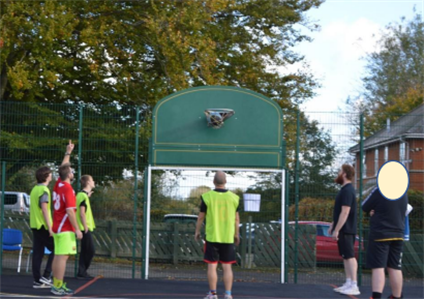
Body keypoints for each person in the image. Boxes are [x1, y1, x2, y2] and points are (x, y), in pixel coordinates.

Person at [195, 171, 240, 299]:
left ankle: (213, 294)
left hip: (212, 236)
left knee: (212, 265)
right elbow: (237, 219)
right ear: (225, 181)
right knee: (227, 266)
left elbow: (201, 217)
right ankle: (228, 294)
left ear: (214, 182)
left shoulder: (207, 197)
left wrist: (197, 231)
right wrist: (236, 234)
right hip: (227, 237)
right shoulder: (234, 198)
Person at [362, 187, 407, 299]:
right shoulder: (403, 191)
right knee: (395, 267)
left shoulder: (380, 189)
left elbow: (364, 205)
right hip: (398, 233)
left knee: (378, 266)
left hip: (381, 233)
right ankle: (397, 297)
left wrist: (374, 210)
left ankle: (376, 297)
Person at [51, 140, 83, 296]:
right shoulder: (68, 190)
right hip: (65, 228)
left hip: (57, 226)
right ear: (69, 175)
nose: (73, 173)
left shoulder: (58, 184)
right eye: (71, 171)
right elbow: (70, 211)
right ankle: (57, 286)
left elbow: (63, 168)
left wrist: (68, 152)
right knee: (62, 258)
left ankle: (57, 284)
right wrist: (77, 229)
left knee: (58, 256)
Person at [330, 164, 360, 296]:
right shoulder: (344, 190)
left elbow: (345, 212)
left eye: (339, 171)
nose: (338, 173)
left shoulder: (348, 190)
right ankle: (348, 282)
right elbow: (339, 212)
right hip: (343, 229)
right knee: (345, 256)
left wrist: (337, 229)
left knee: (350, 256)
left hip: (347, 229)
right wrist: (333, 224)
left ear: (344, 174)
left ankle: (354, 285)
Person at [29, 166, 55, 288]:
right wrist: (50, 227)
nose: (51, 175)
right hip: (42, 225)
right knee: (57, 248)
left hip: (34, 224)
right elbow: (44, 209)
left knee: (38, 253)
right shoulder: (44, 190)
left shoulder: (34, 189)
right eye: (50, 173)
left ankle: (37, 280)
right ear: (46, 176)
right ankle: (46, 276)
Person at [76, 175, 96, 279]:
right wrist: (85, 226)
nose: (94, 182)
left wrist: (87, 196)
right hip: (84, 227)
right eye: (92, 180)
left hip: (83, 227)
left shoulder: (82, 195)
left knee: (85, 250)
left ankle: (82, 272)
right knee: (90, 250)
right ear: (88, 182)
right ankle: (82, 271)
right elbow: (82, 213)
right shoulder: (82, 196)